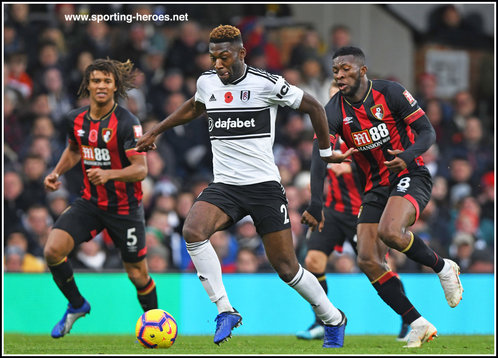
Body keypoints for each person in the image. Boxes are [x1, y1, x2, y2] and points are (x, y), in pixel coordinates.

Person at [136, 25, 355, 348]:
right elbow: (196, 105)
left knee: (287, 268)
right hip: (225, 185)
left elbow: (313, 107)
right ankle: (225, 310)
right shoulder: (207, 82)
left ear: (241, 53)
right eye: (213, 58)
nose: (218, 64)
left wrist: (325, 152)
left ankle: (333, 318)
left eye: (224, 57)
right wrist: (158, 130)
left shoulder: (266, 84)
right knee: (193, 231)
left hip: (264, 188)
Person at [311, 46, 463, 348]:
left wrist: (407, 156)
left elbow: (427, 132)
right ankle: (418, 323)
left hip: (411, 174)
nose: (339, 75)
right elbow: (319, 155)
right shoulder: (333, 110)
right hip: (376, 187)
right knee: (367, 259)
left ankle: (443, 267)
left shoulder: (390, 92)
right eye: (336, 70)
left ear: (362, 71)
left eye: (346, 69)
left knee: (391, 232)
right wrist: (316, 203)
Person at [43, 58, 157, 339]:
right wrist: (56, 172)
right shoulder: (76, 119)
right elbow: (74, 150)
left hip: (125, 208)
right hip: (90, 203)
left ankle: (154, 325)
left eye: (107, 81)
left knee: (137, 275)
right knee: (52, 250)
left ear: (115, 85)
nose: (101, 86)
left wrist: (109, 175)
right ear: (88, 85)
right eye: (96, 80)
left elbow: (141, 169)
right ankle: (77, 305)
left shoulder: (128, 123)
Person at [298, 86, 410, 341]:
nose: (339, 99)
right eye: (334, 94)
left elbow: (381, 164)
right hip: (332, 211)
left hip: (363, 210)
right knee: (313, 261)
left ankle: (408, 319)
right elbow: (318, 162)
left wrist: (348, 168)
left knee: (381, 265)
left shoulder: (365, 128)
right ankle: (322, 321)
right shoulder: (327, 130)